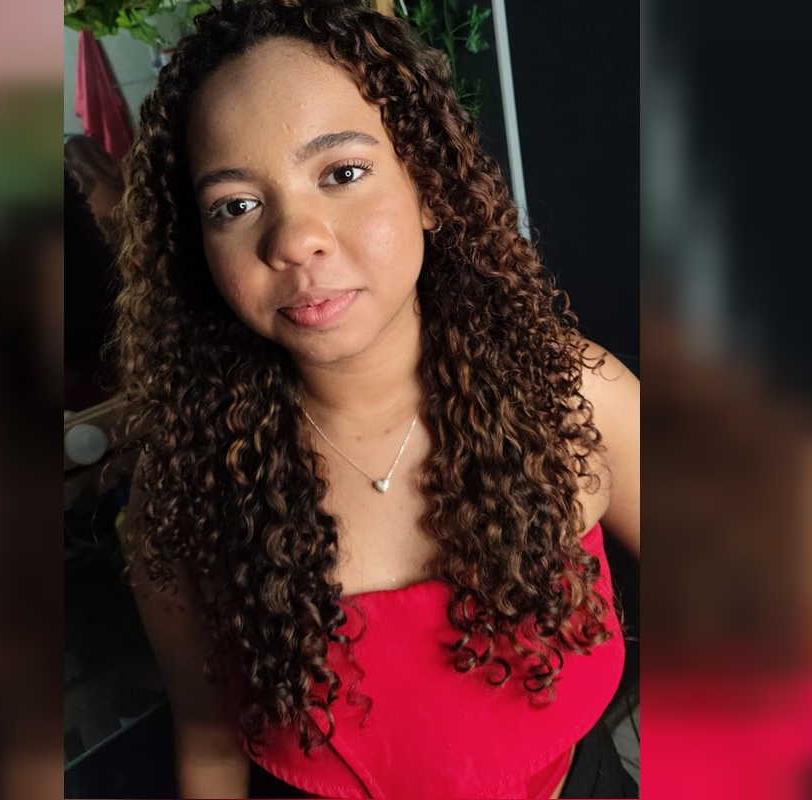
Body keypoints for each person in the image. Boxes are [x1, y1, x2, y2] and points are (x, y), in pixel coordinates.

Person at [113, 1, 640, 797]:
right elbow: (211, 747)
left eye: (342, 174)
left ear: (428, 186)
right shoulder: (186, 492)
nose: (295, 239)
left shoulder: (577, 399)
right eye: (236, 206)